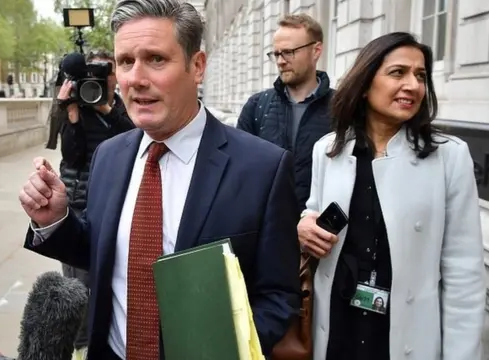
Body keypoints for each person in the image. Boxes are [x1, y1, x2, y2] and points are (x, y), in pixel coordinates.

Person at [19, 0, 302, 359]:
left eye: (156, 59)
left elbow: (279, 294)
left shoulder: (263, 168)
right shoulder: (108, 156)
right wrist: (55, 220)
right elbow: (102, 252)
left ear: (196, 66)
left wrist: (223, 352)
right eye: (125, 62)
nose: (136, 78)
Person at [297, 32, 485, 360]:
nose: (413, 85)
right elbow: (313, 212)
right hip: (338, 327)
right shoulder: (328, 150)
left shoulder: (449, 157)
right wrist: (303, 227)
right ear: (366, 83)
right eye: (398, 73)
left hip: (407, 337)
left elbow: (464, 275)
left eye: (421, 75)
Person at [45, 50, 135, 356]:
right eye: (93, 73)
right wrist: (71, 115)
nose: (100, 78)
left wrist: (106, 108)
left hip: (115, 205)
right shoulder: (74, 108)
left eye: (106, 71)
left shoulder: (121, 110)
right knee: (77, 284)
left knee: (115, 277)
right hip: (79, 205)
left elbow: (134, 138)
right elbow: (71, 155)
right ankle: (81, 347)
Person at [236, 13, 333, 212]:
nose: (280, 61)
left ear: (316, 51)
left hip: (322, 234)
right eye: (276, 54)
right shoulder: (257, 107)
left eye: (288, 52)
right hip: (268, 231)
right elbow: (239, 175)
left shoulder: (343, 107)